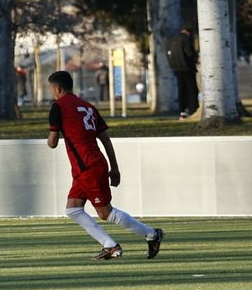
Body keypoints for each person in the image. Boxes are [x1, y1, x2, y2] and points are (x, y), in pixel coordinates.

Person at [46, 70, 164, 260]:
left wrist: (54, 133)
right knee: (73, 209)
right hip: (91, 164)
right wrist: (114, 167)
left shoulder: (58, 106)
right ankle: (110, 245)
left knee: (105, 212)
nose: (53, 93)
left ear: (57, 88)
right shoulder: (88, 106)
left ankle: (152, 234)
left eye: (52, 89)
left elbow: (52, 143)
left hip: (86, 167)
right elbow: (105, 140)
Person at [166, 27, 199, 119]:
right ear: (188, 33)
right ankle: (193, 109)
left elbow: (168, 54)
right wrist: (195, 59)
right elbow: (189, 53)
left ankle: (182, 111)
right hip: (187, 68)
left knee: (181, 91)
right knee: (192, 90)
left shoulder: (170, 40)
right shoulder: (186, 39)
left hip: (176, 68)